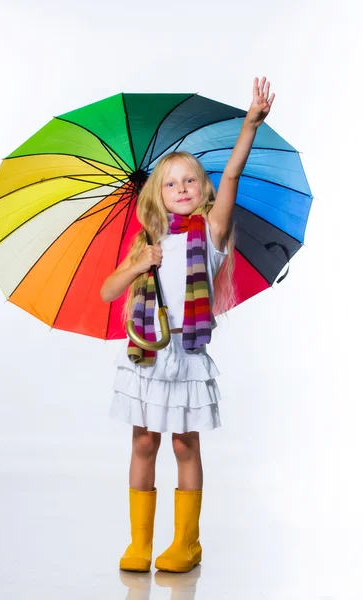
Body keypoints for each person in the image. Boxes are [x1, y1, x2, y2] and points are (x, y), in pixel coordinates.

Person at [100, 76, 275, 573]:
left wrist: (249, 127)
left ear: (204, 190)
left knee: (184, 442)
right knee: (142, 441)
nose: (181, 188)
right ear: (158, 193)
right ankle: (139, 543)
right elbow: (109, 292)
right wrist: (140, 263)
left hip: (187, 352)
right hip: (147, 351)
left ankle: (186, 543)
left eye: (190, 181)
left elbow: (234, 178)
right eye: (171, 182)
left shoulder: (212, 232)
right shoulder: (149, 242)